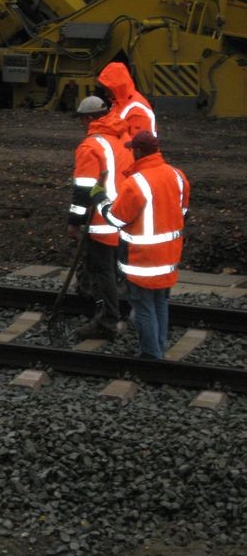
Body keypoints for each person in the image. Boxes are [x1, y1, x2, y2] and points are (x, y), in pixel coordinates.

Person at [90, 131, 190, 359]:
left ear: (138, 151)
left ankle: (150, 355)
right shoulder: (177, 175)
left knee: (144, 306)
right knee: (160, 302)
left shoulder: (136, 183)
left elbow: (116, 219)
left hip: (143, 259)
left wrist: (100, 199)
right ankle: (160, 346)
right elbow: (182, 211)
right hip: (169, 256)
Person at [68, 95, 133, 340]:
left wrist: (74, 222)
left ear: (87, 118)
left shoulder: (90, 147)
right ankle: (118, 309)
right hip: (124, 217)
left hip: (102, 222)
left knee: (101, 272)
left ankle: (107, 321)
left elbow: (83, 191)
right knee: (115, 270)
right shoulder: (122, 136)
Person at [97, 62, 157, 138]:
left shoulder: (137, 112)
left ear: (116, 87)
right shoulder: (120, 103)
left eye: (107, 89)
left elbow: (137, 147)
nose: (105, 93)